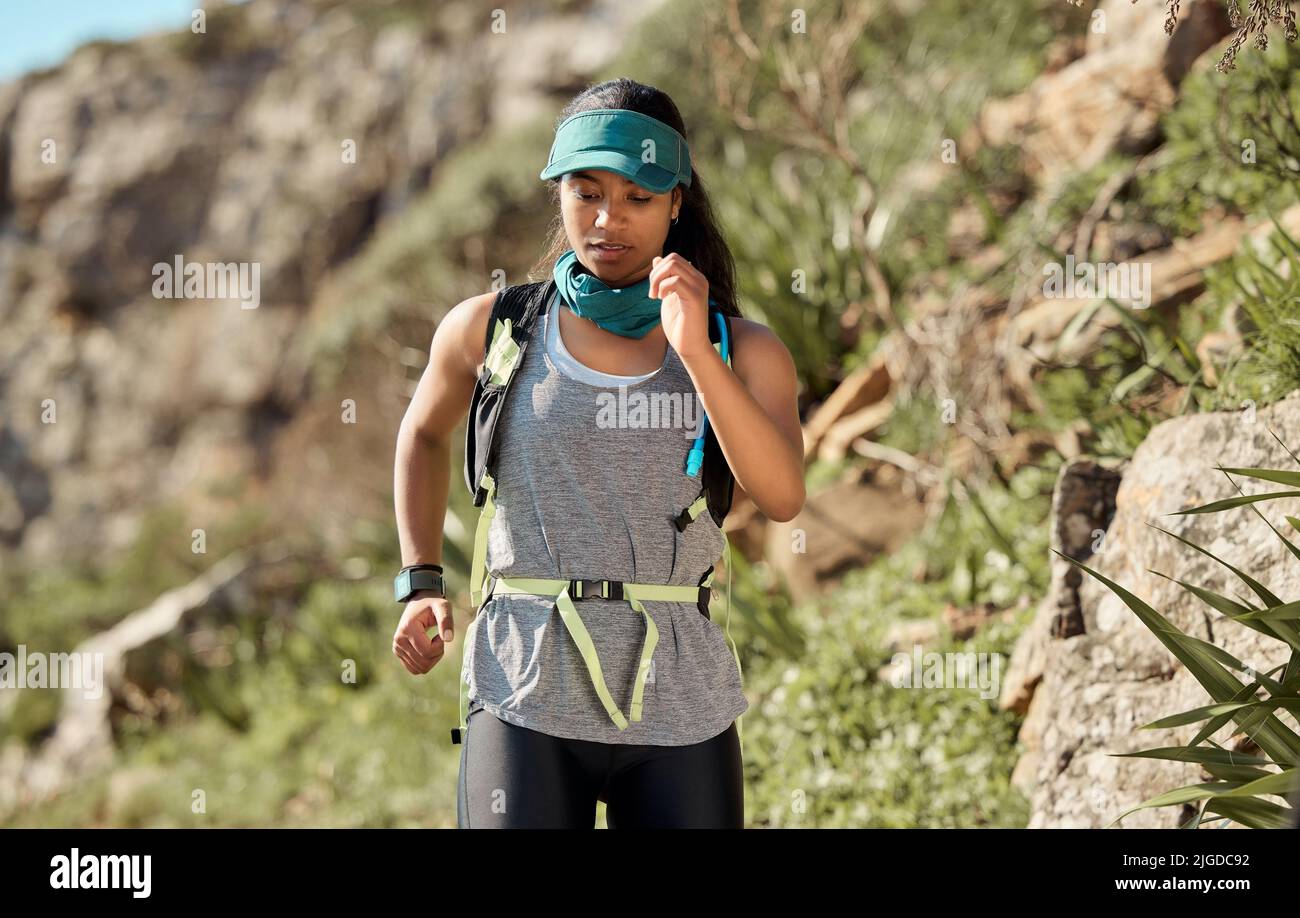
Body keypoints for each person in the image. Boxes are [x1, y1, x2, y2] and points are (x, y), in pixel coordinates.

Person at [391, 78, 804, 828]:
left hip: (680, 698)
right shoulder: (491, 330)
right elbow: (421, 434)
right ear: (559, 194)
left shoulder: (742, 349)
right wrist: (421, 579)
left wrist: (696, 353)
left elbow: (780, 496)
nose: (608, 220)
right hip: (523, 683)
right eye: (586, 193)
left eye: (638, 198)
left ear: (678, 200)